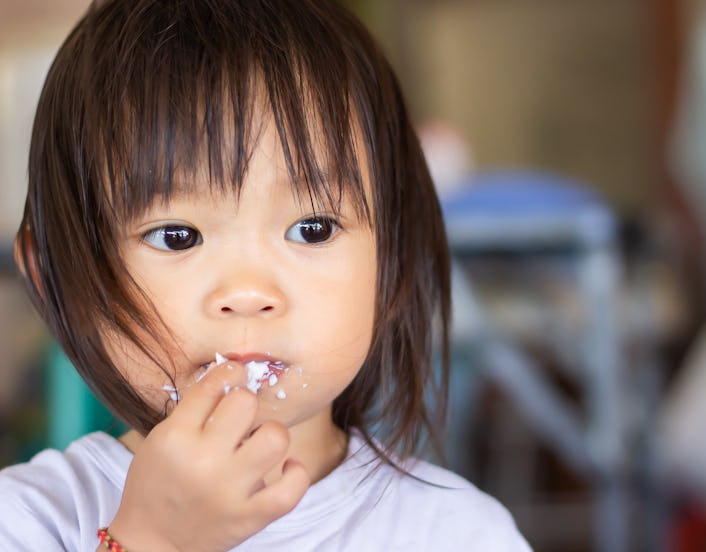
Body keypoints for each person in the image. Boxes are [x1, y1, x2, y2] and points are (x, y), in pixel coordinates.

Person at [0, 0, 532, 550]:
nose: (250, 293)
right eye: (177, 236)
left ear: (393, 255)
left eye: (314, 228)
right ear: (55, 278)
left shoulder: (458, 533)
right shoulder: (26, 521)